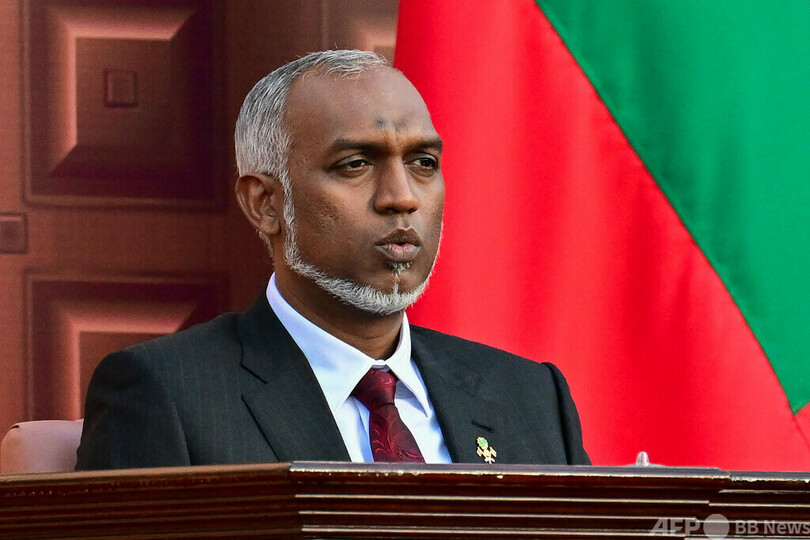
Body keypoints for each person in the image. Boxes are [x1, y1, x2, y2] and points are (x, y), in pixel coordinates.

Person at [75, 49, 589, 470]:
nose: (402, 197)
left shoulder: (530, 397)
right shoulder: (167, 393)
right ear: (266, 204)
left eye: (423, 162)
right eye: (356, 164)